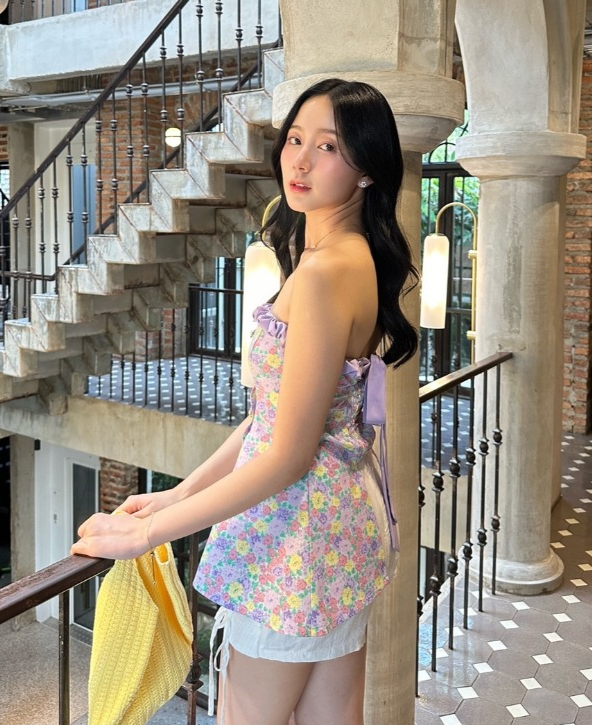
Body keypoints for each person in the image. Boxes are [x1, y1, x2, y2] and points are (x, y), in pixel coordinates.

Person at [72, 77, 418, 725]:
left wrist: (147, 532)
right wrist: (175, 495)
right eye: (294, 139)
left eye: (328, 147)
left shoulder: (324, 273)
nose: (300, 161)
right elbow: (269, 419)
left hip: (293, 547)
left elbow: (286, 455)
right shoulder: (352, 257)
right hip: (339, 535)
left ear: (367, 169)